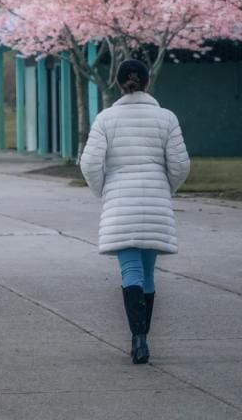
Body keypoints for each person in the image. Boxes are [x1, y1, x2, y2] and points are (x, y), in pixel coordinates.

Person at [79, 57, 190, 364]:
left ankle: (137, 339)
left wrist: (102, 188)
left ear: (118, 84)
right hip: (155, 198)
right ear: (147, 82)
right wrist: (167, 187)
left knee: (131, 270)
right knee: (149, 273)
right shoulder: (166, 118)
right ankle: (143, 338)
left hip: (120, 201)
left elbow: (89, 163)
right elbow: (180, 165)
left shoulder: (105, 119)